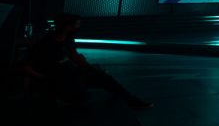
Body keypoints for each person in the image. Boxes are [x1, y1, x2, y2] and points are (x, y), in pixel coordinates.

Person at [23, 13, 152, 109]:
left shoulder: (68, 40)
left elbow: (73, 56)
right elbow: (26, 66)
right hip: (59, 79)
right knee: (82, 97)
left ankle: (131, 100)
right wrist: (45, 79)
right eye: (76, 25)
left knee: (104, 78)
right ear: (67, 27)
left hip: (72, 74)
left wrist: (86, 66)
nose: (78, 27)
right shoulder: (45, 43)